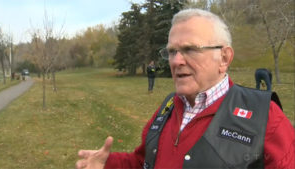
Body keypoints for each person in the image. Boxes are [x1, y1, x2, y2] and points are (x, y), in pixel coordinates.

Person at [76, 8, 295, 169]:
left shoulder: (265, 118)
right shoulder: (168, 109)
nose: (176, 61)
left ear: (224, 58)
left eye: (190, 49)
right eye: (171, 52)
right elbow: (145, 162)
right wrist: (108, 164)